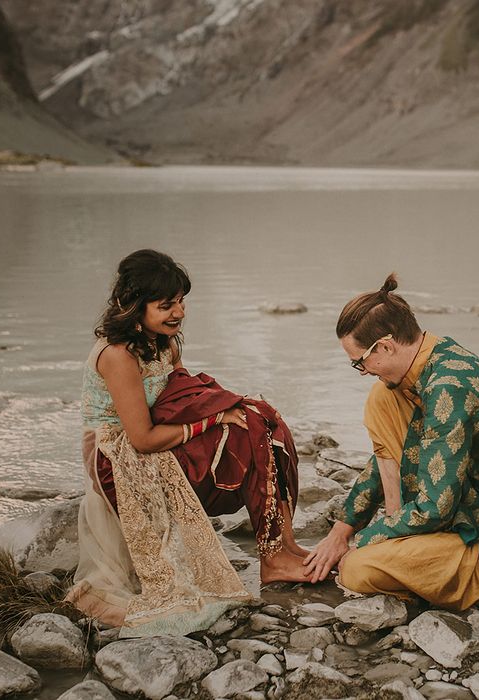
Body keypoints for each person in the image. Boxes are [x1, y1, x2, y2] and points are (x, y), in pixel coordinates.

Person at [303, 273, 479, 610]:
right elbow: (395, 454)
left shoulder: (446, 389)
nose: (361, 371)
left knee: (355, 570)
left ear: (387, 346)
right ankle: (402, 546)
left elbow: (436, 508)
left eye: (359, 362)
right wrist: (342, 530)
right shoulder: (438, 358)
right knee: (382, 397)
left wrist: (362, 543)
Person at [68, 249, 309, 635]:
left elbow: (180, 398)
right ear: (131, 306)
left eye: (181, 302)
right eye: (166, 305)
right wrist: (215, 419)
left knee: (264, 423)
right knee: (245, 436)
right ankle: (275, 557)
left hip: (156, 438)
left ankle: (282, 547)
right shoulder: (117, 355)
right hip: (118, 458)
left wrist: (229, 410)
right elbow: (142, 439)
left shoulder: (164, 342)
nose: (178, 312)